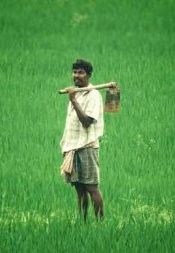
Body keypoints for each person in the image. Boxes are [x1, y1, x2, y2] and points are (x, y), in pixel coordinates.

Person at [60, 59, 104, 221]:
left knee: (92, 188)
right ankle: (82, 223)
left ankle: (100, 224)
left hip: (86, 147)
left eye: (80, 72)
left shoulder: (93, 95)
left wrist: (73, 100)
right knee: (79, 189)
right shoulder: (76, 92)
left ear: (89, 75)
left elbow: (86, 121)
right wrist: (74, 97)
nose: (76, 76)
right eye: (75, 72)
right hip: (72, 147)